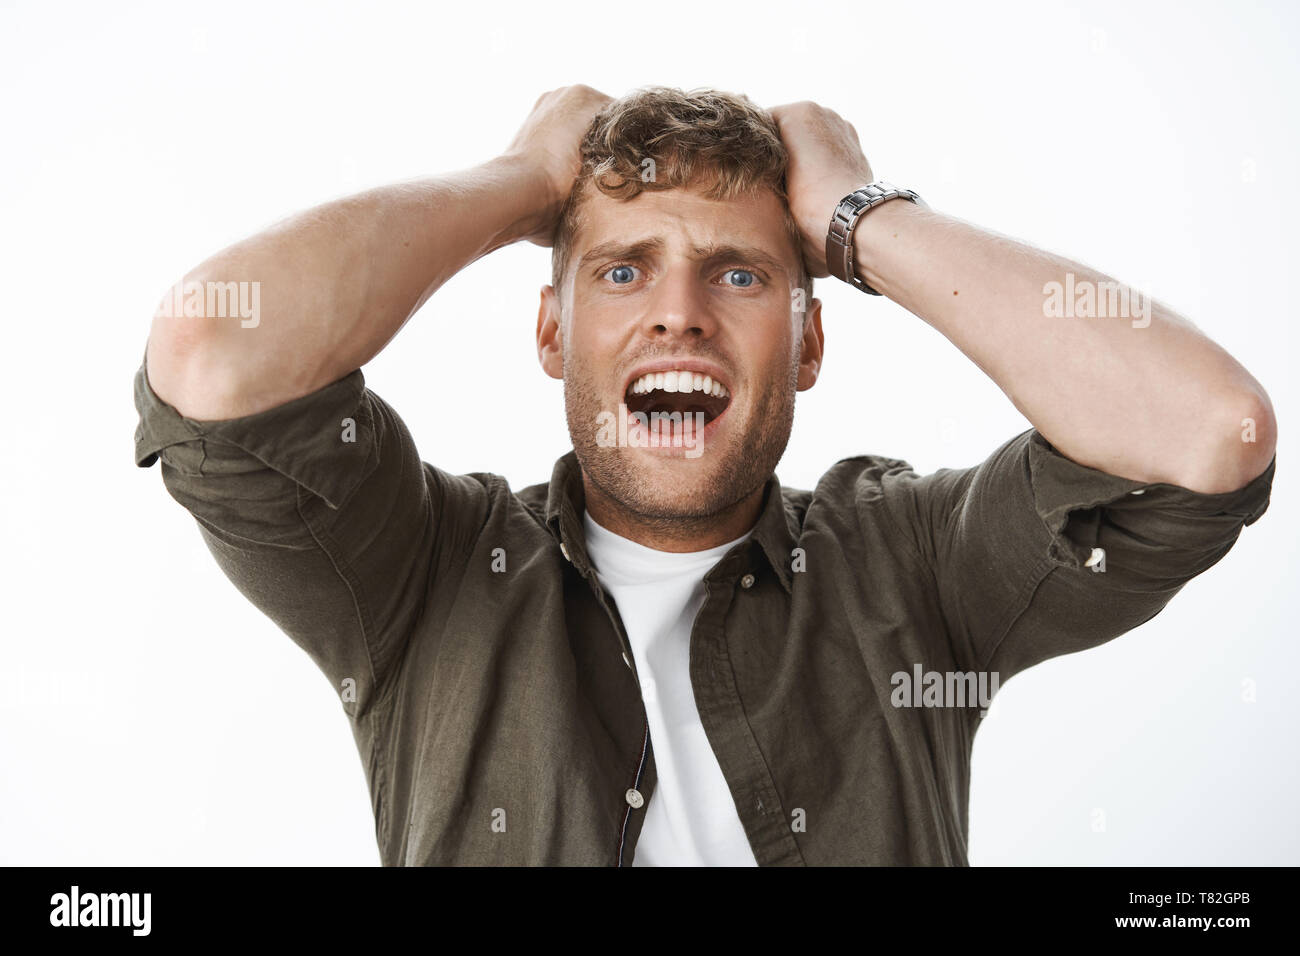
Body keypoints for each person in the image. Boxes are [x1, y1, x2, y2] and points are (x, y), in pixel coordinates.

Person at [133, 85, 1276, 866]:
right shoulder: (423, 570)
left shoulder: (910, 565)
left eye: (737, 277)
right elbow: (212, 352)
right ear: (550, 334)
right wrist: (519, 178)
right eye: (623, 271)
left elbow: (1208, 430)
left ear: (809, 344)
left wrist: (854, 215)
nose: (677, 311)